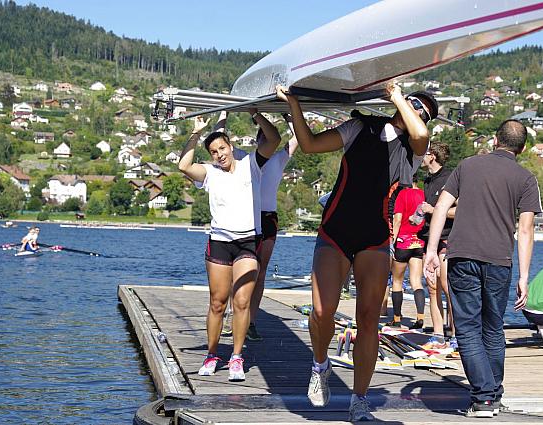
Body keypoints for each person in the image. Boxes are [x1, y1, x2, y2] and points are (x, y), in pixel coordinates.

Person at [277, 82, 436, 421]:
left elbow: (421, 133)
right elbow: (308, 145)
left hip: (374, 237)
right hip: (335, 230)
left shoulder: (413, 150)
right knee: (322, 312)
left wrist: (396, 94)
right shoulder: (360, 126)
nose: (416, 111)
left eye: (422, 111)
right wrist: (293, 104)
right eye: (414, 104)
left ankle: (359, 399)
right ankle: (320, 365)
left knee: (367, 319)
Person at [424, 119, 542, 418]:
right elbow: (525, 231)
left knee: (467, 329)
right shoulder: (526, 178)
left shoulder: (467, 166)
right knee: (493, 328)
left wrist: (430, 251)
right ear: (523, 148)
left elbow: (440, 207)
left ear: (494, 140)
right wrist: (525, 277)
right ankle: (493, 394)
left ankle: (484, 398)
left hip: (462, 256)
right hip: (499, 261)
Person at [178, 109, 280, 382]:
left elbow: (274, 139)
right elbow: (183, 166)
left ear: (231, 146)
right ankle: (212, 355)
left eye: (222, 148)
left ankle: (236, 356)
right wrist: (195, 133)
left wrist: (256, 113)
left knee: (242, 301)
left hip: (247, 241)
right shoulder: (210, 173)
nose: (219, 154)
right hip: (220, 243)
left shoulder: (251, 164)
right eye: (213, 151)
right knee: (217, 303)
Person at [247, 129, 299, 341]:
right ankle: (234, 315)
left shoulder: (279, 159)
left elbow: (297, 138)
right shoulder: (245, 159)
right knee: (241, 270)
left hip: (268, 218)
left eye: (271, 140)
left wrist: (290, 114)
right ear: (257, 140)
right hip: (248, 216)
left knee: (260, 272)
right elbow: (218, 139)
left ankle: (250, 321)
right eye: (264, 139)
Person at [418, 142, 458, 353]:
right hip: (428, 240)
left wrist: (434, 210)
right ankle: (437, 335)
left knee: (448, 288)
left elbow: (460, 210)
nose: (420, 157)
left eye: (424, 154)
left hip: (447, 240)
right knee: (432, 289)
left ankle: (455, 335)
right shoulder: (428, 179)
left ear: (432, 156)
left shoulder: (451, 177)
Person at [387, 175, 426, 329]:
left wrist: (393, 241)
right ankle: (420, 317)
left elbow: (397, 219)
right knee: (416, 281)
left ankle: (396, 319)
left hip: (403, 242)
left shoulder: (402, 194)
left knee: (397, 281)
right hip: (419, 242)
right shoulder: (423, 194)